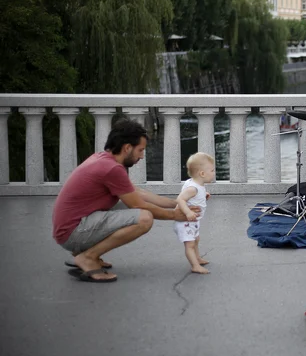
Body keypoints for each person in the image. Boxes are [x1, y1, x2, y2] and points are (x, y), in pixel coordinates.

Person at [52, 119, 201, 283]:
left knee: (125, 205)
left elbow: (138, 193)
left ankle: (87, 254)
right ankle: (88, 257)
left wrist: (177, 203)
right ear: (127, 148)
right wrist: (174, 215)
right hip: (72, 233)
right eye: (140, 150)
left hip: (71, 228)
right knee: (144, 218)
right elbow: (139, 205)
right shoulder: (112, 169)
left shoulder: (104, 159)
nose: (142, 156)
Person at [174, 152, 214, 274]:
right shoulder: (193, 188)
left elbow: (194, 197)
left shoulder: (196, 185)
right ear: (202, 174)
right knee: (190, 244)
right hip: (186, 221)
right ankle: (195, 265)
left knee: (196, 239)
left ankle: (197, 258)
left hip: (193, 221)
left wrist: (203, 196)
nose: (214, 173)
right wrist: (187, 212)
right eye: (212, 170)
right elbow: (180, 199)